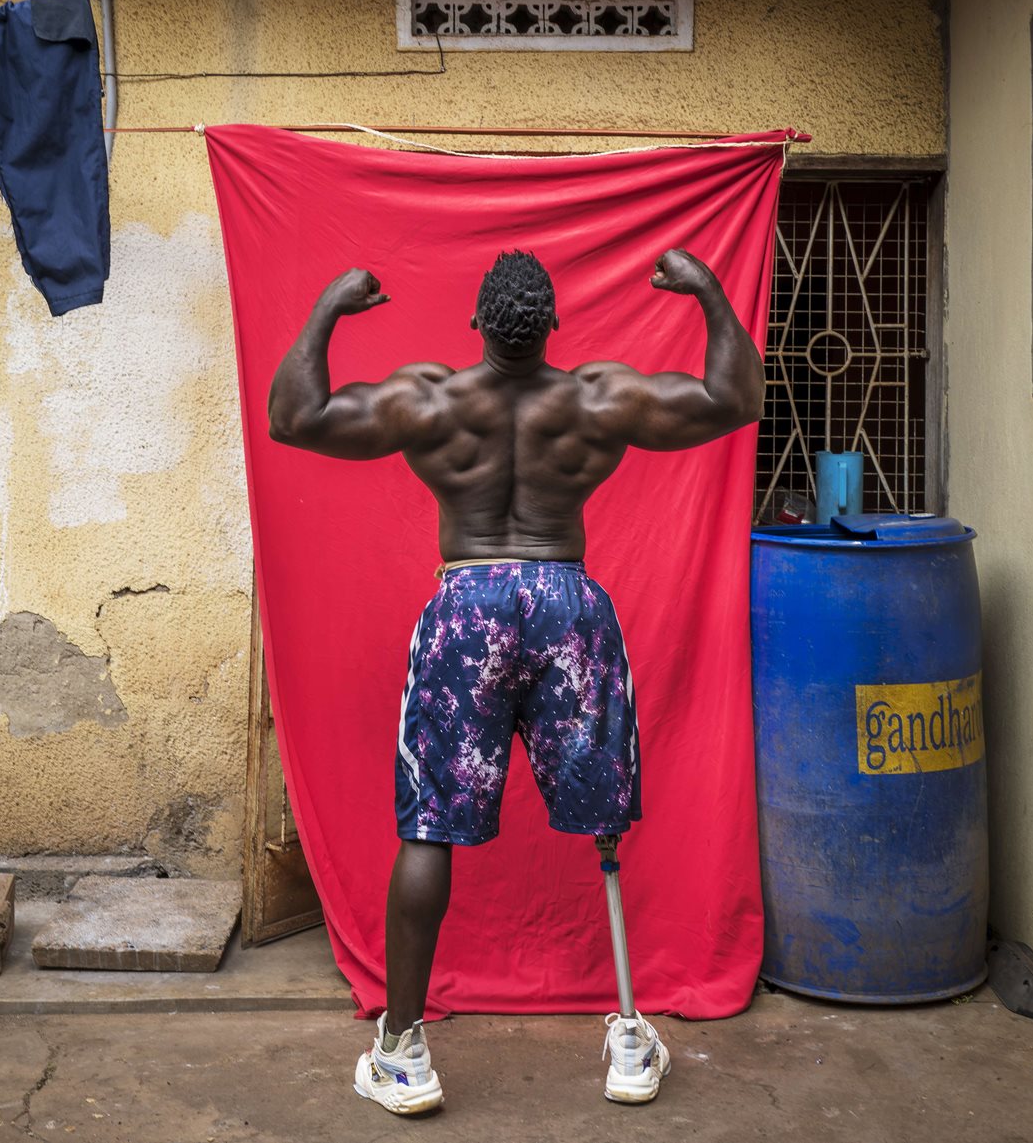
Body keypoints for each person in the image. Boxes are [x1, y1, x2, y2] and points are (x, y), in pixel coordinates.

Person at [267, 248, 764, 1115]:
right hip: (568, 603)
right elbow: (734, 397)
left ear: (476, 326)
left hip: (468, 605)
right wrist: (706, 292)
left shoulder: (432, 400)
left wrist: (331, 304)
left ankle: (402, 1051)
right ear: (554, 326)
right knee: (602, 815)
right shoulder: (595, 398)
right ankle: (630, 1035)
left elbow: (293, 414)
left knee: (429, 828)